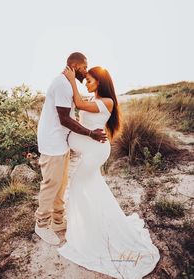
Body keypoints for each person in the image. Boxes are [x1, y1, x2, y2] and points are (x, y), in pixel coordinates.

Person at [57, 66, 160, 279]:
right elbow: (78, 103)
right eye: (85, 80)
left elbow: (77, 103)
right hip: (91, 150)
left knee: (77, 185)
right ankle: (91, 224)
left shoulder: (107, 102)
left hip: (96, 151)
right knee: (92, 187)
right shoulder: (94, 98)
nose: (86, 83)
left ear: (101, 82)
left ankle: (88, 231)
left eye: (90, 80)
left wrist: (71, 79)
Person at [35, 53, 107, 246]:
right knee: (51, 183)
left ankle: (58, 221)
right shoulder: (61, 84)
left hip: (60, 142)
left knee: (61, 183)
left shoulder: (67, 84)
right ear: (74, 65)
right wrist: (90, 133)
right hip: (52, 143)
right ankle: (41, 224)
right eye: (84, 67)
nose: (86, 71)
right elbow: (64, 119)